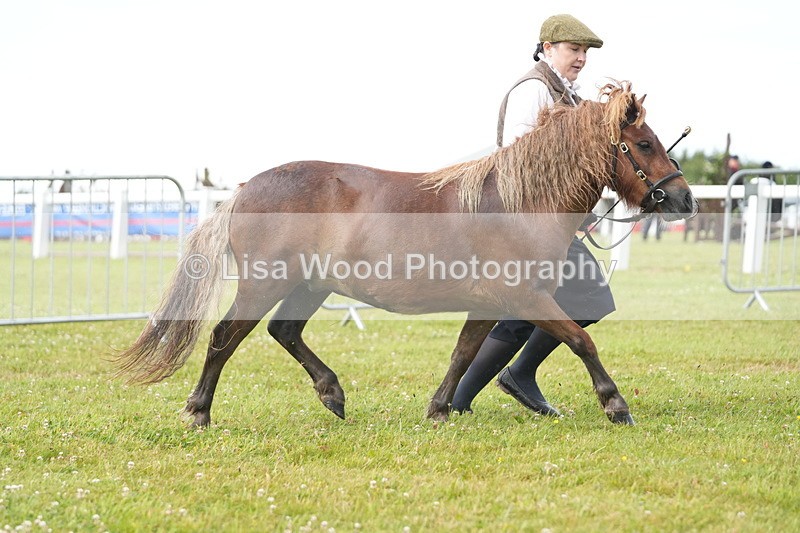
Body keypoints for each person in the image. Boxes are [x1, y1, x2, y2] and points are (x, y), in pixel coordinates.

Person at [451, 14, 615, 416]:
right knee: (577, 297)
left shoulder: (569, 94)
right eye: (574, 50)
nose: (581, 59)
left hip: (547, 225)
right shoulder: (533, 90)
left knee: (539, 305)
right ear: (547, 48)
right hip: (521, 224)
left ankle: (483, 389)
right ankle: (489, 385)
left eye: (585, 52)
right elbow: (519, 163)